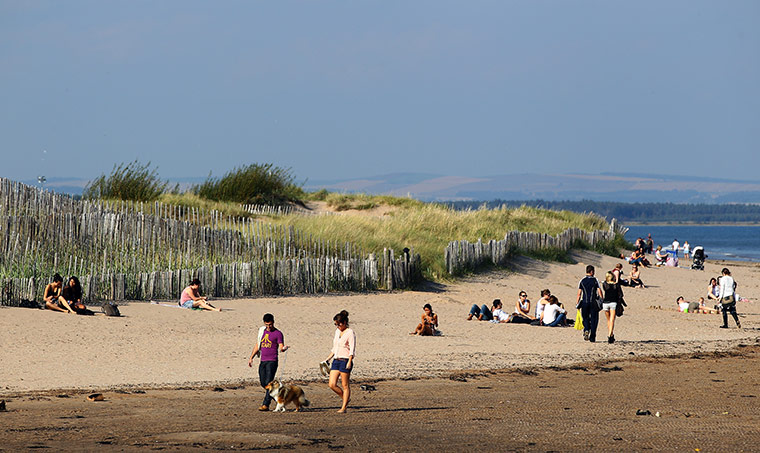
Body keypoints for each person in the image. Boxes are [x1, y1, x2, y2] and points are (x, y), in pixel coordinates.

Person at [248, 313, 289, 411]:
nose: (268, 327)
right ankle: (278, 396)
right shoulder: (262, 331)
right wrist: (251, 357)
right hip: (263, 360)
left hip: (272, 361)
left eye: (270, 324)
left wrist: (283, 349)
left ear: (273, 323)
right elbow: (258, 345)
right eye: (266, 325)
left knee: (269, 383)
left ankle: (266, 404)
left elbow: (280, 346)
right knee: (263, 383)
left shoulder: (278, 333)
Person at [325, 310, 356, 413]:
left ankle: (344, 407)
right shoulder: (337, 332)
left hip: (345, 360)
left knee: (345, 385)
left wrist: (349, 361)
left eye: (339, 324)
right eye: (336, 324)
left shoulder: (350, 332)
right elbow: (335, 347)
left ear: (344, 323)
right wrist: (327, 359)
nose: (337, 326)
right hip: (336, 360)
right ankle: (345, 399)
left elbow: (352, 349)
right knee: (332, 384)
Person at [575, 265, 603, 342]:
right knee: (594, 319)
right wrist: (602, 299)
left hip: (584, 302)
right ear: (592, 272)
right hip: (593, 302)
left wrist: (577, 303)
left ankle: (586, 329)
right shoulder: (595, 280)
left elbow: (579, 293)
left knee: (585, 317)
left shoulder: (582, 281)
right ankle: (592, 336)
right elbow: (599, 291)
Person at [601, 272, 623, 343]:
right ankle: (610, 335)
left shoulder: (605, 284)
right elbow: (620, 294)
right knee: (612, 320)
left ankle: (611, 334)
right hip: (613, 303)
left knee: (608, 320)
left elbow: (605, 284)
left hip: (605, 303)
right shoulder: (616, 285)